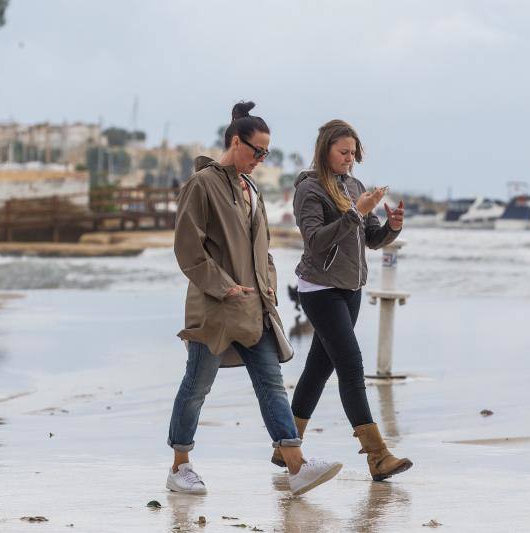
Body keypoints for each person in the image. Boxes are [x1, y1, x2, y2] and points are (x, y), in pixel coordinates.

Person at [167, 102, 342, 496]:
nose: (261, 159)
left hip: (255, 308)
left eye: (266, 153)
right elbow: (187, 247)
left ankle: (296, 465)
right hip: (213, 308)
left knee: (271, 384)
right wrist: (223, 285)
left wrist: (269, 285)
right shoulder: (202, 185)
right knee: (197, 386)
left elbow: (260, 247)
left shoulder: (251, 188)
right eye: (255, 151)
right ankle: (180, 466)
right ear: (234, 141)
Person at [271, 119, 413, 481]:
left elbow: (371, 239)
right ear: (325, 151)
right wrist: (356, 211)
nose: (350, 159)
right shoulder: (310, 189)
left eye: (353, 153)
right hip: (319, 289)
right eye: (343, 152)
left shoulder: (355, 185)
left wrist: (392, 226)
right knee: (351, 366)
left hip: (351, 288)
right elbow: (315, 240)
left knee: (319, 368)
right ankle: (377, 456)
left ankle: (285, 443)